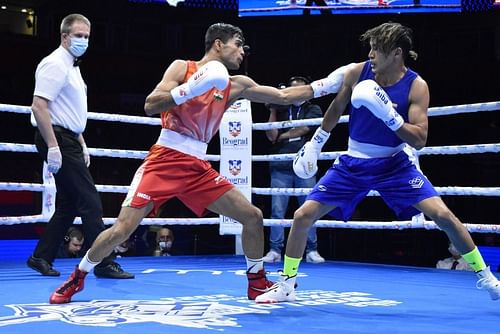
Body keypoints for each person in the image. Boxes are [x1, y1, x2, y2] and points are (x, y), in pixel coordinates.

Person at [48, 22, 348, 304]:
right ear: (218, 44)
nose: (243, 51)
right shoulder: (183, 67)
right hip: (164, 159)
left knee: (253, 217)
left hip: (197, 167)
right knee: (122, 230)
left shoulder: (236, 84)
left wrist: (332, 83)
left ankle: (256, 281)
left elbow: (284, 96)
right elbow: (151, 105)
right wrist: (188, 89)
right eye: (238, 44)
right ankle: (78, 276)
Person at [255, 22, 500, 303]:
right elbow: (336, 107)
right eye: (370, 48)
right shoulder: (357, 72)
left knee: (444, 216)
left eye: (376, 49)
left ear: (396, 53)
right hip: (353, 163)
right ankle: (287, 284)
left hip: (394, 163)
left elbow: (420, 139)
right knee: (302, 216)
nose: (370, 54)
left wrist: (391, 117)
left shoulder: (416, 86)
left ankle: (488, 278)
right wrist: (315, 144)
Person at [28, 13, 133, 280]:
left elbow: (68, 111)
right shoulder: (54, 64)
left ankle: (41, 257)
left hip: (68, 138)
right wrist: (53, 146)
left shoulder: (72, 66)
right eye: (79, 35)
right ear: (65, 36)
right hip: (58, 139)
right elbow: (39, 106)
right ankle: (104, 262)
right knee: (90, 202)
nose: (84, 40)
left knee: (68, 205)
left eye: (86, 36)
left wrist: (81, 141)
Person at [263, 76, 325, 264]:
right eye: (293, 89)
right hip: (280, 165)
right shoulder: (281, 108)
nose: (296, 93)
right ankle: (274, 250)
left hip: (305, 166)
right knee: (277, 210)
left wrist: (281, 137)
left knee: (309, 209)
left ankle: (312, 250)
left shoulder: (312, 108)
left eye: (300, 89)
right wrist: (273, 109)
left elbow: (304, 129)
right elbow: (270, 134)